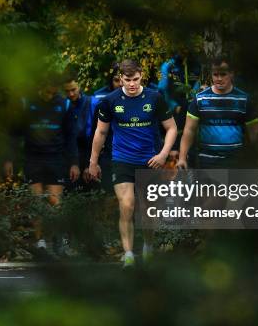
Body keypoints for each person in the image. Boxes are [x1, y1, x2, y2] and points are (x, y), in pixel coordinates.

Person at [88, 59, 177, 268]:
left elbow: (171, 128)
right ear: (120, 79)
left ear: (141, 76)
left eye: (136, 79)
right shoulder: (110, 101)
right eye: (127, 80)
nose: (132, 84)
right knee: (127, 205)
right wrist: (93, 161)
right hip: (122, 160)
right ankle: (128, 254)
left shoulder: (155, 98)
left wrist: (163, 154)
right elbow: (101, 132)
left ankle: (147, 246)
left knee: (147, 210)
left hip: (150, 161)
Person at [4, 80, 80, 256]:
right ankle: (40, 243)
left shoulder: (64, 104)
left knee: (55, 203)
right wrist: (9, 159)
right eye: (47, 92)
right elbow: (14, 134)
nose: (50, 96)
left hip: (56, 158)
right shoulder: (27, 103)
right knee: (36, 202)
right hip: (33, 158)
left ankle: (59, 242)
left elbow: (71, 136)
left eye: (53, 93)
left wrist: (74, 163)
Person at [176, 57, 258, 169]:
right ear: (211, 75)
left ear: (231, 74)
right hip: (207, 160)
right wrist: (182, 158)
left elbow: (255, 132)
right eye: (215, 74)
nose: (219, 78)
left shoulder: (243, 99)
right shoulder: (200, 99)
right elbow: (189, 130)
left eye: (223, 74)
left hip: (236, 159)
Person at [89, 62, 122, 192]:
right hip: (110, 157)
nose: (120, 84)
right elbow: (95, 134)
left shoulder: (143, 100)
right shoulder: (102, 102)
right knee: (110, 199)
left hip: (137, 157)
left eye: (122, 80)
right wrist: (93, 163)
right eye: (116, 80)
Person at [63, 72, 96, 190]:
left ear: (79, 86)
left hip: (89, 152)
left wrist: (90, 164)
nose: (71, 94)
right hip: (68, 156)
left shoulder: (92, 103)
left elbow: (97, 135)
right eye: (67, 91)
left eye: (73, 89)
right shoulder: (62, 105)